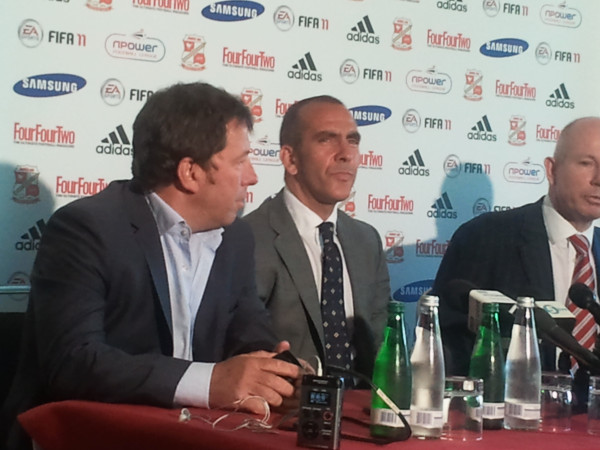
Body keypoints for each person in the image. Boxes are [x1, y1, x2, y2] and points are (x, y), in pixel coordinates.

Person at [2, 82, 301, 450]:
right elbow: (73, 362)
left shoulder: (236, 237)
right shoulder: (86, 228)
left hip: (192, 436)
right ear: (190, 172)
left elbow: (248, 330)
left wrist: (277, 372)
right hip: (91, 437)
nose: (252, 177)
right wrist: (211, 382)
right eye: (240, 162)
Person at [432, 117, 600, 383]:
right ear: (552, 170)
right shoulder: (485, 237)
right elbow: (446, 342)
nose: (598, 179)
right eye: (586, 163)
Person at [243, 95, 390, 381]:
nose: (345, 154)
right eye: (326, 140)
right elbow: (243, 348)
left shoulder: (367, 241)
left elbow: (381, 346)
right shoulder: (248, 239)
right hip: (284, 404)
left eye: (353, 141)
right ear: (290, 159)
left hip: (360, 404)